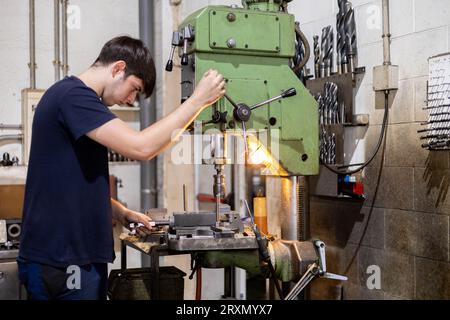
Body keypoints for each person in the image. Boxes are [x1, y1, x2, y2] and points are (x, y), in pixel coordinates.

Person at [17, 35, 226, 300]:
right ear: (118, 68)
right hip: (64, 261)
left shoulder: (73, 99)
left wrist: (121, 211)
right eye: (134, 88)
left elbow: (71, 183)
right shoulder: (74, 97)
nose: (130, 100)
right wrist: (196, 102)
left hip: (69, 258)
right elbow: (141, 148)